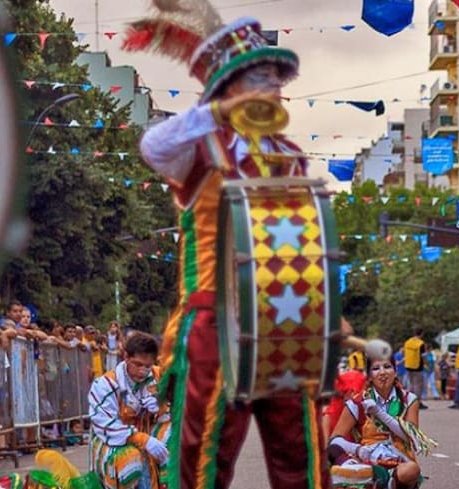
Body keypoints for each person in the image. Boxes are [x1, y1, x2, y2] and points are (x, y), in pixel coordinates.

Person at [127, 6, 327, 487]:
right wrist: (215, 112)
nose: (274, 86)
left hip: (285, 320)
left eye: (276, 78)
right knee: (203, 454)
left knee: (299, 452)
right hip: (217, 320)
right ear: (228, 88)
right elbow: (152, 147)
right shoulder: (200, 148)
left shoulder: (290, 157)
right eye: (260, 77)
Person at [327, 356, 434, 489]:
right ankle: (373, 477)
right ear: (369, 376)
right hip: (367, 460)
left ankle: (376, 479)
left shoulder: (409, 399)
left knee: (412, 470)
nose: (382, 372)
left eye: (387, 367)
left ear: (395, 372)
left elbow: (411, 437)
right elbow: (335, 440)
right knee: (330, 452)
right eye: (376, 368)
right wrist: (359, 450)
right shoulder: (357, 402)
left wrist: (379, 412)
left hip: (399, 462)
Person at [88, 333, 169, 489]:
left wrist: (162, 405)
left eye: (147, 366)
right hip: (114, 440)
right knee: (130, 461)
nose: (142, 371)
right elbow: (106, 425)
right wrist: (142, 439)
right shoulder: (106, 385)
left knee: (172, 437)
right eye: (138, 364)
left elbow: (179, 407)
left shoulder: (158, 376)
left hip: (148, 433)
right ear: (126, 357)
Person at [402, 329, 427, 409]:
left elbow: (404, 352)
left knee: (411, 384)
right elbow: (423, 356)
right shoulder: (421, 343)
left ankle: (409, 402)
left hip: (408, 365)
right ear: (422, 334)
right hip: (417, 366)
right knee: (418, 386)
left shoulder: (407, 342)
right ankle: (417, 403)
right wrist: (426, 364)